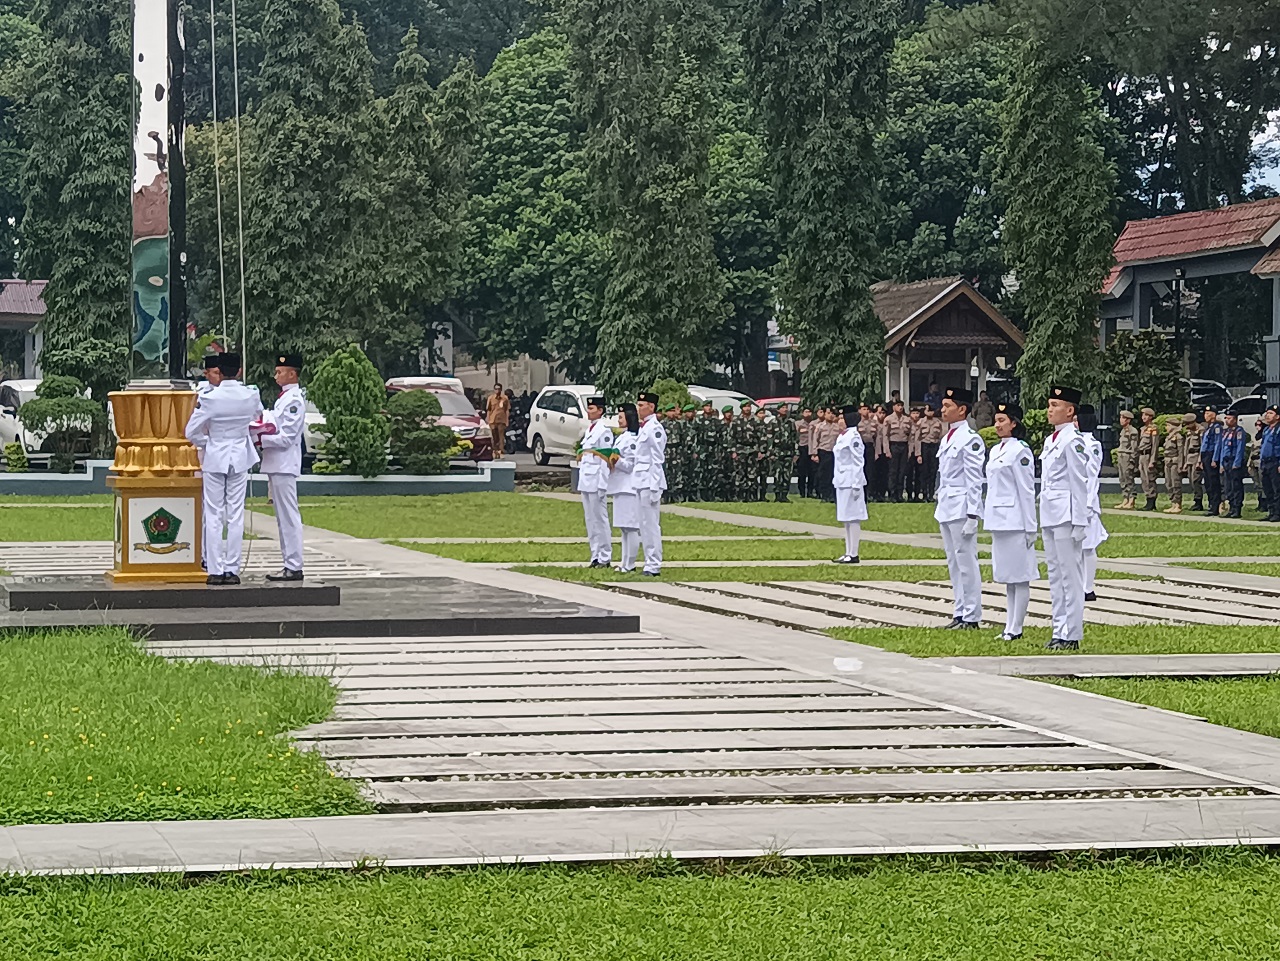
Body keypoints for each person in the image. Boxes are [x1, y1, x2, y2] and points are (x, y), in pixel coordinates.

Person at [184, 353, 262, 586]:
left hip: (215, 455)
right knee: (236, 514)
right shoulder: (250, 394)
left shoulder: (211, 398)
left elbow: (191, 432)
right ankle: (232, 569)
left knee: (214, 512)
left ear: (220, 370)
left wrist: (209, 442)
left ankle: (215, 569)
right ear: (238, 371)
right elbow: (257, 415)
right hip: (239, 455)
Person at [1039, 385, 1091, 651]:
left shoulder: (1074, 440)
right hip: (1050, 512)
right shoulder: (1052, 440)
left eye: (1056, 405)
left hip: (1067, 514)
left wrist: (1081, 520)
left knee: (1070, 575)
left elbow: (1080, 482)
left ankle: (1071, 633)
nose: (1050, 410)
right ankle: (1058, 628)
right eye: (1049, 405)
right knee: (1055, 574)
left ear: (1070, 411)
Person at [983, 403, 1037, 641]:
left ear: (1014, 423)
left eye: (1003, 420)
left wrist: (1030, 526)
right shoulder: (996, 450)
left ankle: (1017, 627)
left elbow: (1026, 490)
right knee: (1007, 576)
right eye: (996, 420)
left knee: (1020, 575)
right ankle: (1008, 625)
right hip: (998, 518)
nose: (998, 424)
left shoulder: (1020, 451)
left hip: (1015, 519)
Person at [935, 388, 985, 630]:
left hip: (962, 506)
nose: (942, 410)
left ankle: (972, 614)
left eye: (947, 405)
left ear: (962, 409)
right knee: (953, 561)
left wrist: (973, 514)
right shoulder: (948, 437)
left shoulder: (970, 438)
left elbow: (974, 479)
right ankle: (959, 610)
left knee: (966, 560)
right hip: (946, 503)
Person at [259, 352, 307, 582]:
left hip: (284, 464)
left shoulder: (294, 400)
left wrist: (261, 439)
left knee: (288, 516)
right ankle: (289, 563)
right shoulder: (284, 398)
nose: (276, 375)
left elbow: (287, 436)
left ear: (292, 373)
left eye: (280, 372)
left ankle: (294, 565)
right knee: (283, 517)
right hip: (278, 464)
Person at [193, 356, 224, 571]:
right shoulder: (201, 395)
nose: (216, 376)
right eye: (212, 372)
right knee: (206, 508)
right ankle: (204, 555)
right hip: (204, 454)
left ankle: (219, 558)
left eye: (218, 372)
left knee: (223, 511)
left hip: (222, 455)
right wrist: (208, 441)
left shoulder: (238, 393)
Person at [577, 396, 614, 569]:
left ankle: (605, 556)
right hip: (586, 480)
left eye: (592, 409)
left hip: (596, 482)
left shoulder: (603, 431)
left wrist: (602, 485)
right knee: (590, 520)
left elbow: (605, 461)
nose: (588, 411)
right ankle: (595, 555)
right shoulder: (590, 430)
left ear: (600, 410)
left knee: (600, 519)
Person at [634, 391, 667, 576]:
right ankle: (648, 561)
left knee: (651, 524)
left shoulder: (654, 428)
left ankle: (654, 564)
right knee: (643, 524)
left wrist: (655, 486)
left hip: (650, 481)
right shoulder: (644, 427)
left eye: (641, 405)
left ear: (651, 407)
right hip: (641, 480)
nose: (639, 408)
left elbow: (657, 459)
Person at [1077, 404, 1108, 602]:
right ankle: (1079, 584)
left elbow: (1091, 476)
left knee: (1088, 546)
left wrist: (1087, 504)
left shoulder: (1092, 444)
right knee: (1077, 548)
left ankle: (1088, 588)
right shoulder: (1076, 442)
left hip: (1087, 502)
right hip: (1075, 501)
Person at [832, 405, 868, 563]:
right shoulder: (843, 436)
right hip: (842, 480)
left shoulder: (853, 437)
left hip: (851, 481)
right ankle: (848, 552)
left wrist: (856, 483)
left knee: (853, 518)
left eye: (841, 418)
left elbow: (858, 461)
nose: (839, 421)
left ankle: (854, 553)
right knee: (845, 518)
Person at [610, 405, 641, 572]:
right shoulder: (623, 437)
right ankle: (624, 562)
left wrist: (616, 460)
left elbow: (630, 465)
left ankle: (630, 564)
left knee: (631, 527)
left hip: (629, 487)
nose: (619, 420)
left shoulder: (632, 439)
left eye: (621, 417)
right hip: (620, 486)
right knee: (624, 528)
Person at [1216, 411, 1248, 518]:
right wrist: (1221, 464)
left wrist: (1237, 462)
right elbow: (1223, 449)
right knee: (1228, 486)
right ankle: (1231, 507)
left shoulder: (1239, 431)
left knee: (1236, 486)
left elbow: (1240, 448)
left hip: (1234, 460)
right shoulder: (1225, 432)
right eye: (1226, 418)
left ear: (1235, 419)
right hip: (1226, 461)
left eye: (1229, 418)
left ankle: (1237, 508)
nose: (1227, 420)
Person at [884, 398, 912, 502]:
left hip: (903, 446)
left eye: (901, 405)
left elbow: (910, 436)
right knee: (893, 471)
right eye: (898, 405)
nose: (900, 407)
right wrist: (887, 450)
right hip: (893, 445)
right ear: (893, 407)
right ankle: (892, 494)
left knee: (902, 471)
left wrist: (910, 450)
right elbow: (885, 436)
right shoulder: (888, 419)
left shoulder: (907, 419)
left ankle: (900, 494)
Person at [769, 402, 796, 502]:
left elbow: (794, 438)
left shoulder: (791, 422)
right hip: (777, 452)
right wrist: (771, 453)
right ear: (778, 410)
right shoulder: (773, 422)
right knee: (777, 474)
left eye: (786, 407)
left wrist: (796, 452)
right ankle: (777, 495)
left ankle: (784, 495)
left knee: (787, 474)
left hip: (788, 452)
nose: (785, 409)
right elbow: (769, 439)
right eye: (783, 407)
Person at [1161, 414, 1188, 514]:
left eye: (1168, 425)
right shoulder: (1169, 437)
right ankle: (1172, 503)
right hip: (1167, 461)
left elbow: (1181, 451)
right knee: (1168, 483)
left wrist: (1181, 464)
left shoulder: (1178, 437)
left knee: (1175, 482)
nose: (1166, 428)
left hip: (1175, 461)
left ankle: (1178, 504)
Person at [1200, 406, 1224, 516]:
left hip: (1211, 455)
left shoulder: (1217, 427)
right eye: (1205, 413)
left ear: (1214, 415)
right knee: (1208, 482)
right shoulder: (1208, 428)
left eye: (1208, 413)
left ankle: (1215, 506)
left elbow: (1218, 444)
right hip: (1205, 456)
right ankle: (1211, 504)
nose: (1206, 416)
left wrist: (1215, 459)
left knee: (1213, 482)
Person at [918, 404, 942, 501]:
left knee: (933, 471)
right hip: (924, 446)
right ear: (925, 411)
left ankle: (931, 494)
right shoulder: (920, 422)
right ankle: (923, 493)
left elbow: (940, 436)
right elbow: (917, 438)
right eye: (928, 410)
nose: (930, 413)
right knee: (924, 471)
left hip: (934, 447)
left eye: (932, 411)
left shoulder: (938, 422)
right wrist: (918, 453)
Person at [1115, 410, 1138, 509]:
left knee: (1128, 478)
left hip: (1127, 456)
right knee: (1122, 478)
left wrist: (1133, 460)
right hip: (1121, 455)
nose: (1121, 420)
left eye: (1123, 418)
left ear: (1128, 420)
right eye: (1120, 417)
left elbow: (1134, 447)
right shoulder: (1123, 431)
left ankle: (1132, 499)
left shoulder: (1132, 431)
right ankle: (1125, 498)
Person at [1137, 407, 1160, 511]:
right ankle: (1147, 498)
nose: (1143, 417)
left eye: (1146, 415)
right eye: (1142, 415)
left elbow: (1155, 445)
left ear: (1151, 417)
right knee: (1143, 479)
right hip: (1142, 455)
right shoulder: (1142, 429)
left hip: (1148, 456)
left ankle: (1152, 500)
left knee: (1149, 478)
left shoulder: (1153, 429)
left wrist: (1152, 460)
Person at [814, 407, 838, 502]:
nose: (830, 415)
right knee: (823, 474)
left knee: (833, 474)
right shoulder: (820, 426)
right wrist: (814, 454)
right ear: (825, 414)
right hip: (823, 451)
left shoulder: (837, 427)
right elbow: (815, 440)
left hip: (834, 452)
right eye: (828, 413)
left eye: (832, 413)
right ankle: (824, 495)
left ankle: (832, 495)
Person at [1261, 406, 1280, 522]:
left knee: (1277, 489)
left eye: (1271, 413)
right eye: (1267, 413)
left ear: (1277, 417)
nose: (1267, 415)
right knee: (1268, 489)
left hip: (1275, 462)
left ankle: (1277, 513)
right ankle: (1271, 511)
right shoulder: (1266, 429)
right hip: (1265, 462)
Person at [1185, 413, 1205, 512]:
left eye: (1188, 424)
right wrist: (1185, 461)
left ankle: (1198, 501)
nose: (1187, 426)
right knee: (1191, 480)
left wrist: (1200, 461)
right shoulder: (1189, 432)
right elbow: (1186, 447)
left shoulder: (1200, 430)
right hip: (1189, 457)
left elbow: (1202, 447)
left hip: (1197, 457)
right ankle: (1195, 499)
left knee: (1196, 480)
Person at [486, 383, 510, 460]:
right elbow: (488, 410)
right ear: (494, 390)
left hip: (501, 420)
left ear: (501, 389)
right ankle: (494, 451)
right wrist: (488, 420)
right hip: (493, 420)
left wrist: (507, 420)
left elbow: (507, 410)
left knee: (501, 437)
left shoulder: (505, 398)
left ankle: (501, 451)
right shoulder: (491, 398)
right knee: (494, 437)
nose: (497, 390)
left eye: (499, 389)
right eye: (496, 389)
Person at [796, 407, 815, 499]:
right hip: (802, 448)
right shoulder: (798, 423)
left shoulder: (814, 424)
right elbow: (795, 435)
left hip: (812, 448)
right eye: (806, 412)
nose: (808, 413)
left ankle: (810, 491)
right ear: (802, 413)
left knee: (812, 471)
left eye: (810, 411)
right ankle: (802, 492)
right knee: (802, 472)